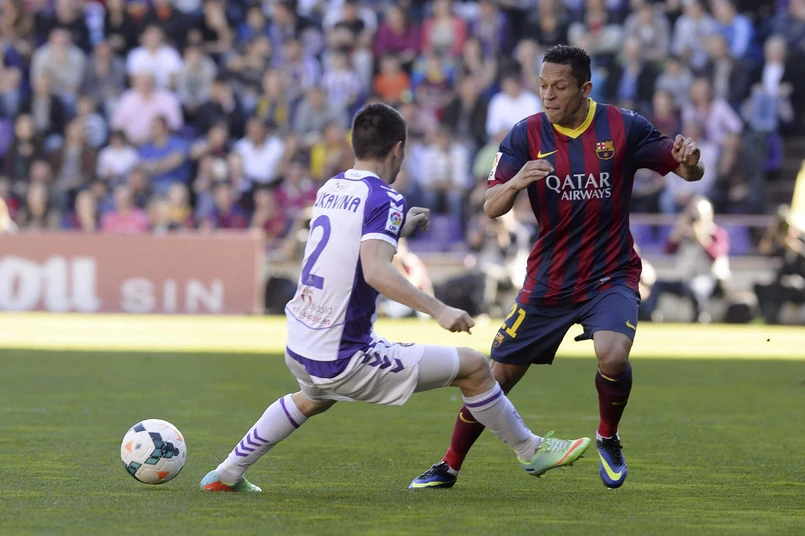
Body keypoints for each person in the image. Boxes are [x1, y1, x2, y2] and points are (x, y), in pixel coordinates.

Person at [200, 103, 590, 493]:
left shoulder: (332, 187)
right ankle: (531, 450)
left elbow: (346, 241)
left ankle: (227, 472)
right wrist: (438, 308)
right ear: (398, 149)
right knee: (473, 367)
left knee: (313, 397)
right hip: (343, 354)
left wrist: (397, 226)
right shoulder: (385, 197)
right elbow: (375, 271)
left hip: (301, 341)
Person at [410, 45, 704, 491]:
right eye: (543, 86)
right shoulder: (525, 134)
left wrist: (691, 161)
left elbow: (686, 171)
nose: (548, 95)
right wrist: (516, 181)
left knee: (613, 354)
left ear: (585, 89)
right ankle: (449, 465)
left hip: (610, 272)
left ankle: (608, 436)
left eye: (559, 87)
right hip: (550, 278)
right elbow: (491, 206)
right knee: (497, 376)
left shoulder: (623, 126)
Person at [641, 196, 731, 324]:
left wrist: (702, 237)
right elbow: (668, 250)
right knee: (658, 284)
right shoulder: (684, 233)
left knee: (697, 286)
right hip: (685, 279)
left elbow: (716, 255)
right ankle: (649, 315)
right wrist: (679, 231)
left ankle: (700, 317)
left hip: (709, 279)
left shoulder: (717, 233)